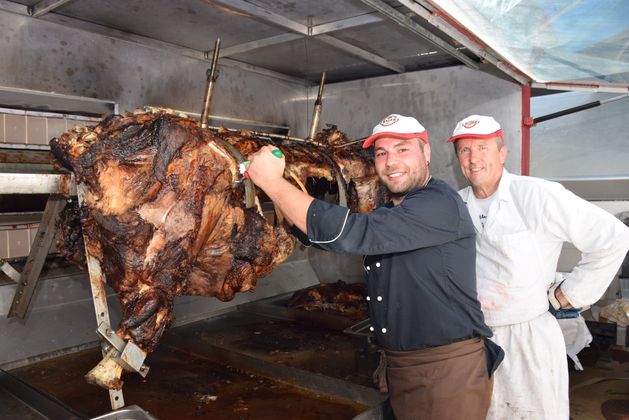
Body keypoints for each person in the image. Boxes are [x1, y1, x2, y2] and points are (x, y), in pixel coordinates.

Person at [246, 114, 502, 420]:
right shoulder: (395, 209)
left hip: (446, 372)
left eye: (402, 149)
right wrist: (286, 208)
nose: (391, 161)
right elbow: (337, 239)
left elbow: (352, 233)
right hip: (405, 365)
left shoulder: (438, 203)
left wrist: (273, 183)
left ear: (427, 153)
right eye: (381, 153)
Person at [448, 114, 629, 419]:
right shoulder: (455, 204)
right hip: (473, 338)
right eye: (465, 150)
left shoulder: (537, 195)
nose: (473, 158)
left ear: (502, 153)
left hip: (527, 339)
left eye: (482, 148)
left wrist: (570, 293)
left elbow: (613, 237)